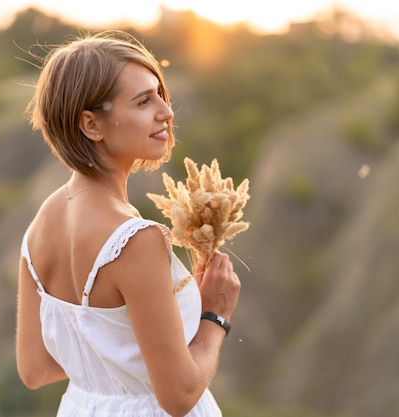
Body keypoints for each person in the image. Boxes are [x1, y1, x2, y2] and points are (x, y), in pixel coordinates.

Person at [15, 31, 241, 417]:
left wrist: (113, 366)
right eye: (143, 101)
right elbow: (178, 395)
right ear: (91, 125)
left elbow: (35, 370)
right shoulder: (135, 239)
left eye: (159, 94)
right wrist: (214, 316)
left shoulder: (41, 224)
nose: (166, 112)